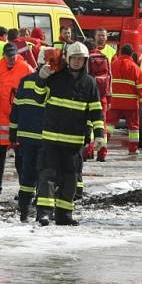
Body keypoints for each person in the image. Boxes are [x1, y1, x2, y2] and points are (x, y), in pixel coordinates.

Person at [35, 42, 104, 226]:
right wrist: (41, 78)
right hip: (51, 138)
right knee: (47, 176)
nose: (76, 62)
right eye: (73, 58)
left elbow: (96, 111)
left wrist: (99, 134)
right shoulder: (55, 77)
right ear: (67, 58)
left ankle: (64, 215)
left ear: (85, 61)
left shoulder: (90, 83)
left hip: (74, 143)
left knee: (70, 179)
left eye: (80, 59)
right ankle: (44, 213)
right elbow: (39, 96)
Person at [0, 42, 34, 200]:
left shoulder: (25, 68)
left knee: (22, 159)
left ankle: (26, 190)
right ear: (4, 55)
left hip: (18, 122)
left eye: (13, 55)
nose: (11, 58)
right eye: (8, 56)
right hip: (0, 121)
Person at [9, 48, 50, 222]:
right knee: (43, 175)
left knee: (28, 176)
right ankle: (40, 210)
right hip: (43, 138)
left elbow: (15, 109)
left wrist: (13, 133)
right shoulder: (52, 84)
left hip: (26, 138)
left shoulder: (25, 81)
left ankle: (25, 209)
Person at [108, 44, 142, 155]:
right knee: (133, 128)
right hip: (131, 104)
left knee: (109, 125)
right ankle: (133, 149)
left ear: (120, 53)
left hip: (114, 102)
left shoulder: (112, 65)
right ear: (131, 54)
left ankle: (102, 144)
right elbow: (141, 88)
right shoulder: (135, 68)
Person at [84, 38, 112, 164]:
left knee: (89, 123)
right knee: (102, 125)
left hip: (89, 96)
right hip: (103, 96)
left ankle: (88, 151)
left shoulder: (86, 58)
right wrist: (109, 98)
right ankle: (102, 153)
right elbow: (110, 78)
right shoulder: (105, 57)